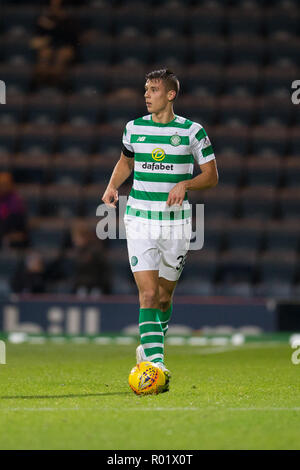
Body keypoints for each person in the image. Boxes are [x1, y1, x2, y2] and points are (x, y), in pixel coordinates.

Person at [102, 69, 218, 391]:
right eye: (145, 89)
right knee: (148, 294)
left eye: (153, 89)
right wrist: (112, 186)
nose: (146, 94)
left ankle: (150, 347)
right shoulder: (133, 128)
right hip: (139, 219)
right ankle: (156, 364)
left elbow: (211, 175)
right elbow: (126, 161)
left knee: (165, 297)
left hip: (177, 224)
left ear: (170, 95)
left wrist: (185, 183)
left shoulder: (192, 131)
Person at [0, 172, 28, 249]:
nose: (2, 187)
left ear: (11, 185)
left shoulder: (15, 201)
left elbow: (17, 224)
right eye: (1, 184)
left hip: (14, 232)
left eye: (5, 184)